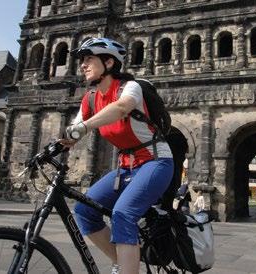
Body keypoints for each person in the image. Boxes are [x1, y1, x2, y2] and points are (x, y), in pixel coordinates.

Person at [61, 37, 174, 274]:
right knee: (84, 211)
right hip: (125, 169)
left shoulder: (130, 87)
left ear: (109, 62)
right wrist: (58, 144)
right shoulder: (90, 98)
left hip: (156, 162)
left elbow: (121, 108)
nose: (83, 64)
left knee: (123, 213)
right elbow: (72, 132)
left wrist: (83, 127)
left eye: (89, 58)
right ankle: (121, 262)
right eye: (82, 60)